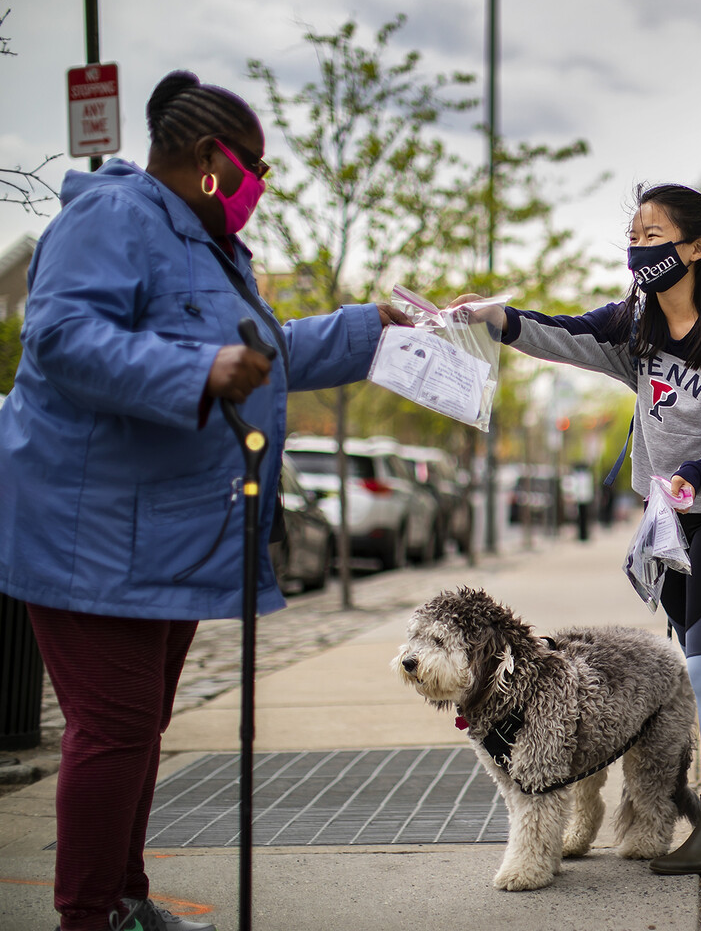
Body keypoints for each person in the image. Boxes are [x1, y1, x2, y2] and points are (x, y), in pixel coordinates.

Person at [0, 71, 410, 931]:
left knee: (138, 729)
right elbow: (63, 339)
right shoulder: (111, 216)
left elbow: (265, 351)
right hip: (92, 532)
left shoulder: (207, 245)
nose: (259, 184)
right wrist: (200, 370)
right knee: (113, 730)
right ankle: (88, 916)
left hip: (162, 533)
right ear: (205, 158)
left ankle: (125, 902)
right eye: (253, 166)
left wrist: (372, 326)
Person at [453, 183, 701, 875]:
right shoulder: (635, 324)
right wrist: (498, 318)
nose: (640, 246)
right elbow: (567, 334)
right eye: (634, 233)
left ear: (696, 247)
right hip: (663, 523)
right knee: (696, 654)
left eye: (655, 234)